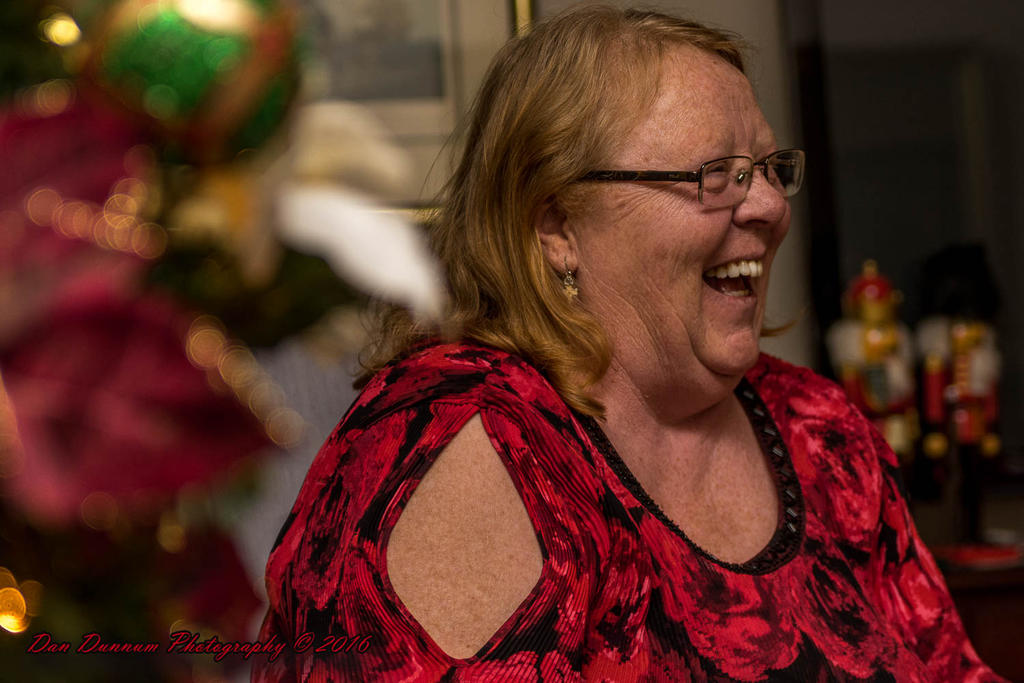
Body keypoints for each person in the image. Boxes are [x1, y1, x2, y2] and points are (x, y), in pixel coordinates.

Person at [253, 6, 1005, 681]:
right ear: (557, 226)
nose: (771, 207)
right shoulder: (466, 439)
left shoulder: (819, 427)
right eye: (716, 174)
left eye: (769, 170)